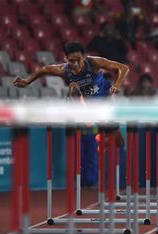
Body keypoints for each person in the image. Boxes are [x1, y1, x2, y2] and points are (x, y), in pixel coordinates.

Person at [13, 42, 130, 186]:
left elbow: (123, 68)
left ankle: (103, 138)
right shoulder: (64, 70)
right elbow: (44, 70)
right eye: (71, 61)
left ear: (84, 57)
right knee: (73, 88)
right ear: (66, 59)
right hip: (88, 108)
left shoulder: (94, 62)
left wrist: (118, 84)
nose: (75, 64)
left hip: (105, 105)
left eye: (78, 60)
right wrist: (27, 81)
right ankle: (91, 128)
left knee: (119, 143)